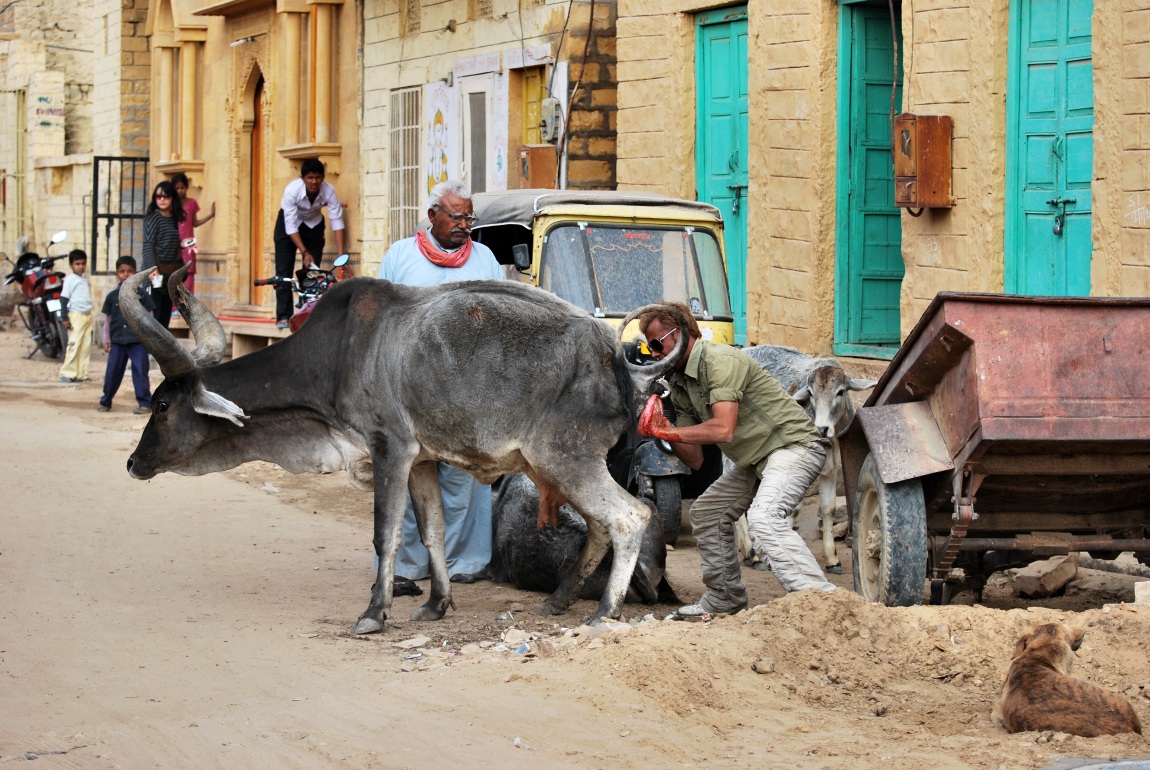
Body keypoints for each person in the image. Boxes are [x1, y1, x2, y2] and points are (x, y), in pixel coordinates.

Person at [637, 302, 837, 617]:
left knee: (764, 518)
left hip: (794, 446)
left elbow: (724, 429)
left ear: (684, 333)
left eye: (657, 344)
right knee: (706, 513)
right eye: (649, 348)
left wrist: (671, 433)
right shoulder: (680, 386)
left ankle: (825, 606)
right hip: (757, 462)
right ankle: (724, 598)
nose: (654, 354)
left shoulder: (719, 361)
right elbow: (696, 460)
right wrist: (664, 430)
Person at [376, 179, 502, 590]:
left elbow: (502, 319)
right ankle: (408, 565)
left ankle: (465, 561)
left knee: (464, 474)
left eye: (469, 216)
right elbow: (378, 319)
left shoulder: (485, 259)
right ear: (433, 216)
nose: (465, 223)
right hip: (410, 389)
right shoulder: (400, 256)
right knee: (409, 472)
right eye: (456, 215)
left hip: (469, 389)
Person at [274, 159, 346, 329]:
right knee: (284, 271)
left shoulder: (329, 191)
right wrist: (304, 252)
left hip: (313, 225)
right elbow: (290, 226)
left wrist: (342, 256)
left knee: (313, 273)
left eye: (318, 177)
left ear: (323, 178)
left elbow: (337, 221)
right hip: (288, 227)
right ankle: (283, 316)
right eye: (310, 178)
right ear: (303, 178)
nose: (314, 182)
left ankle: (308, 314)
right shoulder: (292, 191)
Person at [98, 256, 155, 415]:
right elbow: (107, 320)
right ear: (117, 273)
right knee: (112, 372)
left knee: (140, 371)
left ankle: (144, 403)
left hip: (138, 342)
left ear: (135, 273)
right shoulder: (111, 297)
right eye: (122, 271)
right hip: (117, 342)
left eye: (130, 271)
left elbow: (150, 318)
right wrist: (106, 339)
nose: (126, 275)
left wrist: (150, 339)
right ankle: (106, 401)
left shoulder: (142, 295)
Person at [141, 180, 185, 329]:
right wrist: (152, 270)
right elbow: (148, 245)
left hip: (169, 273)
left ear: (172, 198)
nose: (161, 199)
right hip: (155, 273)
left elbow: (173, 241)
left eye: (165, 196)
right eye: (158, 196)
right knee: (154, 313)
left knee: (165, 314)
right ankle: (147, 352)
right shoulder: (153, 217)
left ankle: (160, 352)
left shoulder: (175, 218)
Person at [171, 172, 215, 293]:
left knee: (189, 271)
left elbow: (195, 223)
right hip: (174, 242)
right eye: (177, 188)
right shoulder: (171, 205)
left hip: (189, 243)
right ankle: (175, 307)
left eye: (182, 188)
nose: (180, 191)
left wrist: (210, 216)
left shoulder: (192, 203)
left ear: (186, 188)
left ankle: (188, 303)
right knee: (174, 271)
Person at [58, 249, 93, 384]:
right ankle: (67, 373)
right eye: (77, 264)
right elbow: (64, 299)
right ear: (71, 265)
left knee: (85, 346)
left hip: (87, 316)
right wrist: (64, 318)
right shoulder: (70, 280)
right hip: (76, 315)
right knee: (74, 344)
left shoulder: (84, 280)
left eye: (83, 263)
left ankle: (81, 374)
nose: (81, 266)